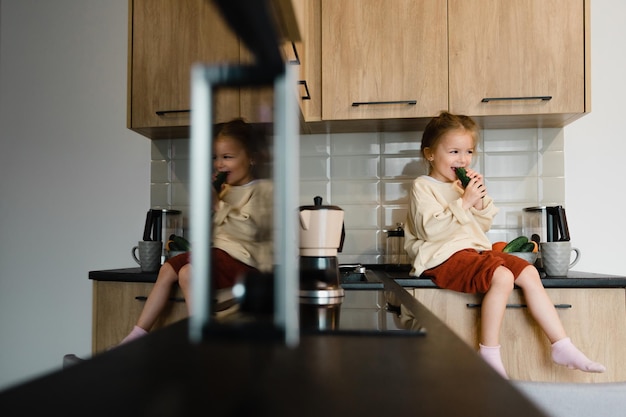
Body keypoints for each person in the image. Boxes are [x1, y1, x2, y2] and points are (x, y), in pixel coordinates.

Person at [403, 111, 605, 379]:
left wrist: (478, 200)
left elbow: (482, 225)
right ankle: (488, 355)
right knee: (502, 276)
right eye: (454, 151)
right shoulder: (423, 186)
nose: (462, 159)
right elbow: (431, 229)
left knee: (528, 272)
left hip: (474, 252)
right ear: (430, 153)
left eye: (469, 152)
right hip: (440, 257)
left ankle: (562, 345)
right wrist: (464, 203)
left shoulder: (460, 188)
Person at [120, 118, 273, 344]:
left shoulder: (261, 190)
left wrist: (218, 205)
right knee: (167, 269)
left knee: (188, 273)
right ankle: (136, 335)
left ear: (250, 157)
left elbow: (249, 229)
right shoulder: (226, 190)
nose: (220, 164)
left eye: (228, 157)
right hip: (219, 254)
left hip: (246, 260)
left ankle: (201, 337)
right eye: (216, 158)